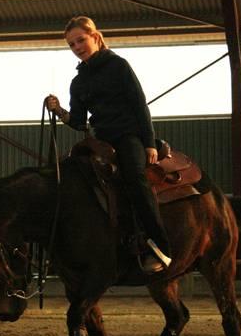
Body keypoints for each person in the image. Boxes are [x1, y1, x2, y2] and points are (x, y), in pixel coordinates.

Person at [46, 16, 172, 273]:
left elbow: (139, 105)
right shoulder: (78, 82)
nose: (77, 47)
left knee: (136, 180)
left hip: (128, 136)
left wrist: (148, 143)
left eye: (81, 40)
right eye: (72, 45)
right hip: (100, 140)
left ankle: (161, 248)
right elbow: (79, 122)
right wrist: (58, 110)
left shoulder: (118, 66)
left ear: (95, 36)